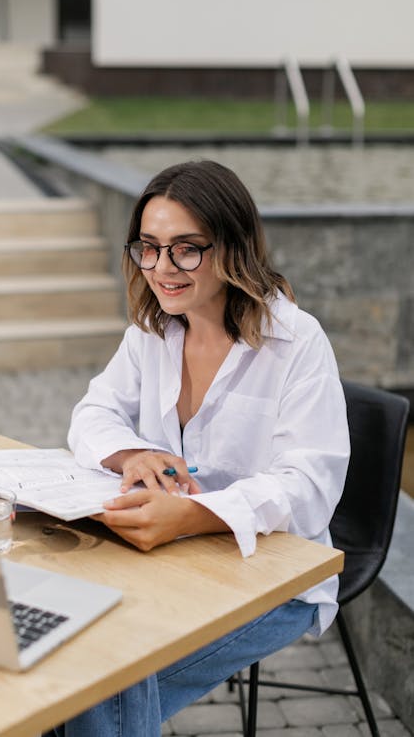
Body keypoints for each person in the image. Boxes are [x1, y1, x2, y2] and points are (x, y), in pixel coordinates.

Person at [46, 160, 350, 737]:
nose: (163, 268)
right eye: (150, 248)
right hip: (169, 559)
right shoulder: (154, 329)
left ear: (232, 246)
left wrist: (193, 513)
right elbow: (93, 412)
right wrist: (129, 455)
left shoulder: (297, 341)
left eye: (186, 249)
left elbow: (308, 489)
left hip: (276, 573)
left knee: (101, 681)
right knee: (72, 659)